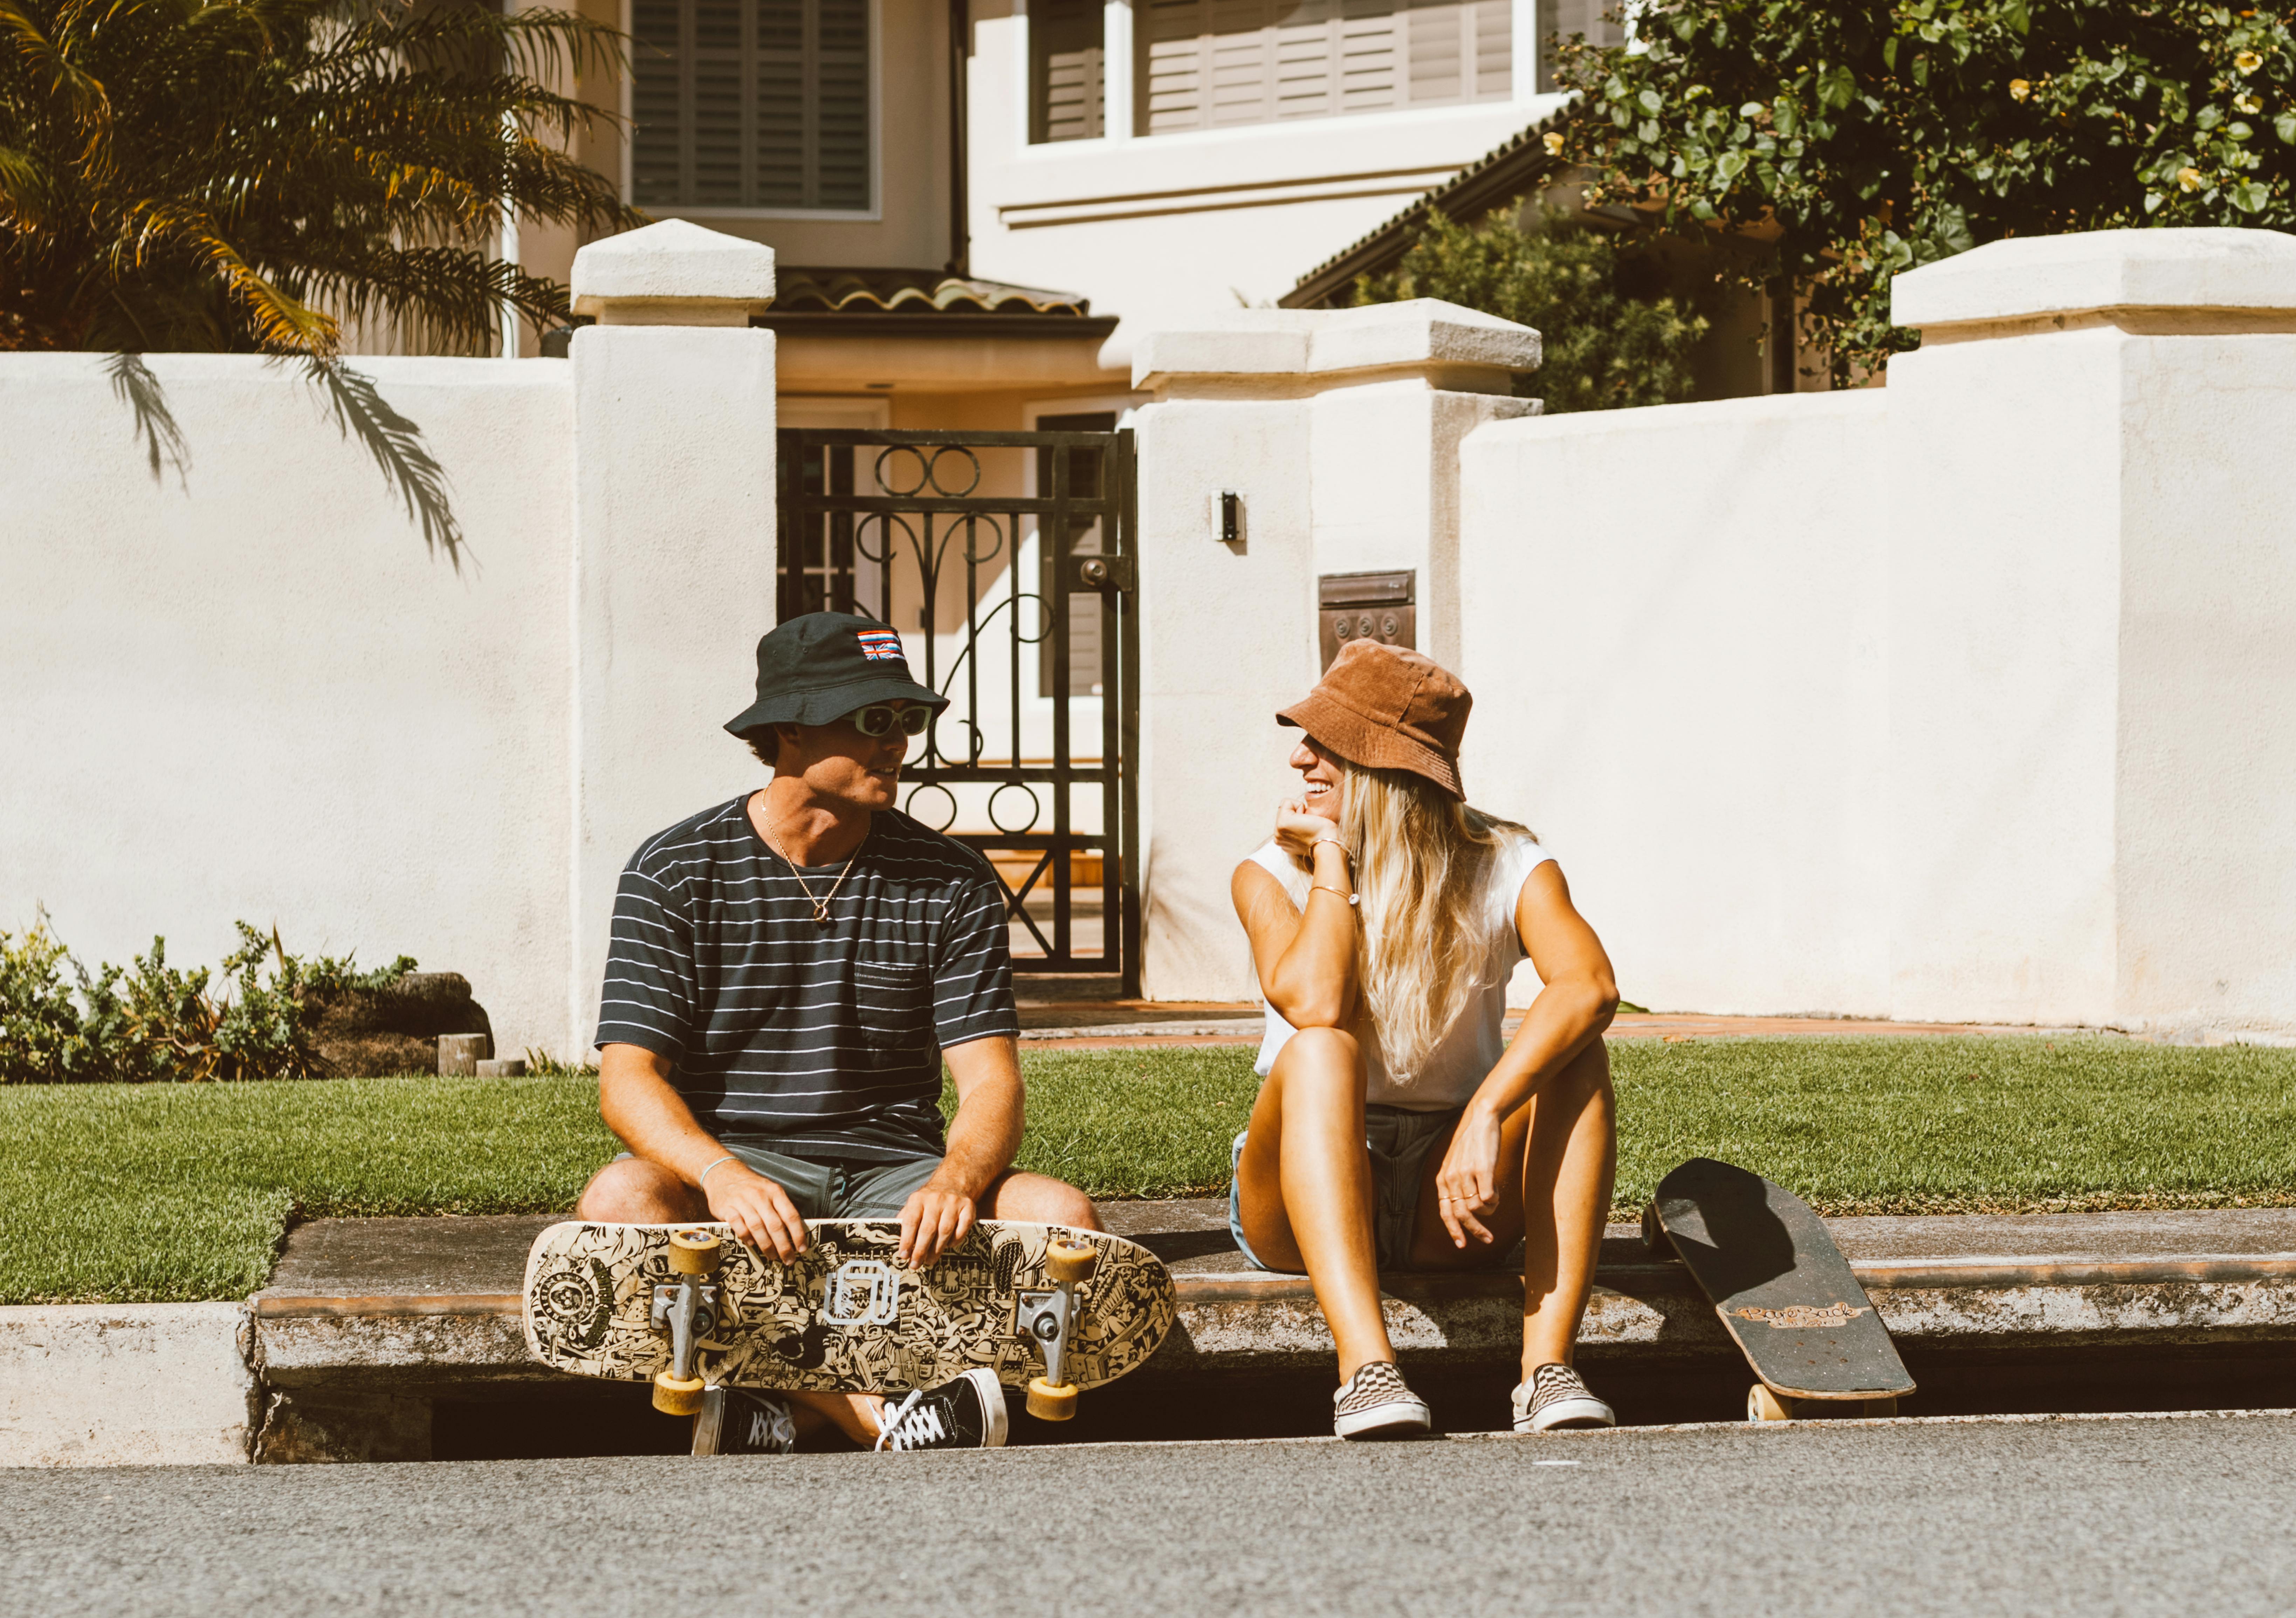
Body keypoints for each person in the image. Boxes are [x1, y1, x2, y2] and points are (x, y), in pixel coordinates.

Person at [577, 609, 1099, 1457]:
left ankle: (777, 1408)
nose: (897, 742)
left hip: (894, 1174)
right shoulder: (674, 871)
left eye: (907, 718)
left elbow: (991, 1081)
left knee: (1064, 1218)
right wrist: (721, 1174)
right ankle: (878, 1417)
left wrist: (958, 1180)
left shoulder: (951, 879)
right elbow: (628, 1079)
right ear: (789, 728)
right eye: (870, 718)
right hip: (739, 1166)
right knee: (619, 1202)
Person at [1229, 638, 1621, 1442]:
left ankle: (1546, 1371)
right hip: (1300, 1195)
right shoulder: (1271, 870)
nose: (1299, 758)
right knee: (1321, 1049)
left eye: (1325, 742)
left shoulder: (1505, 861)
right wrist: (1331, 860)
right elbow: (1316, 1003)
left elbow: (1589, 986)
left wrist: (1486, 1111)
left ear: (1386, 766)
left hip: (1455, 1193)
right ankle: (1366, 1373)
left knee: (1577, 1055)